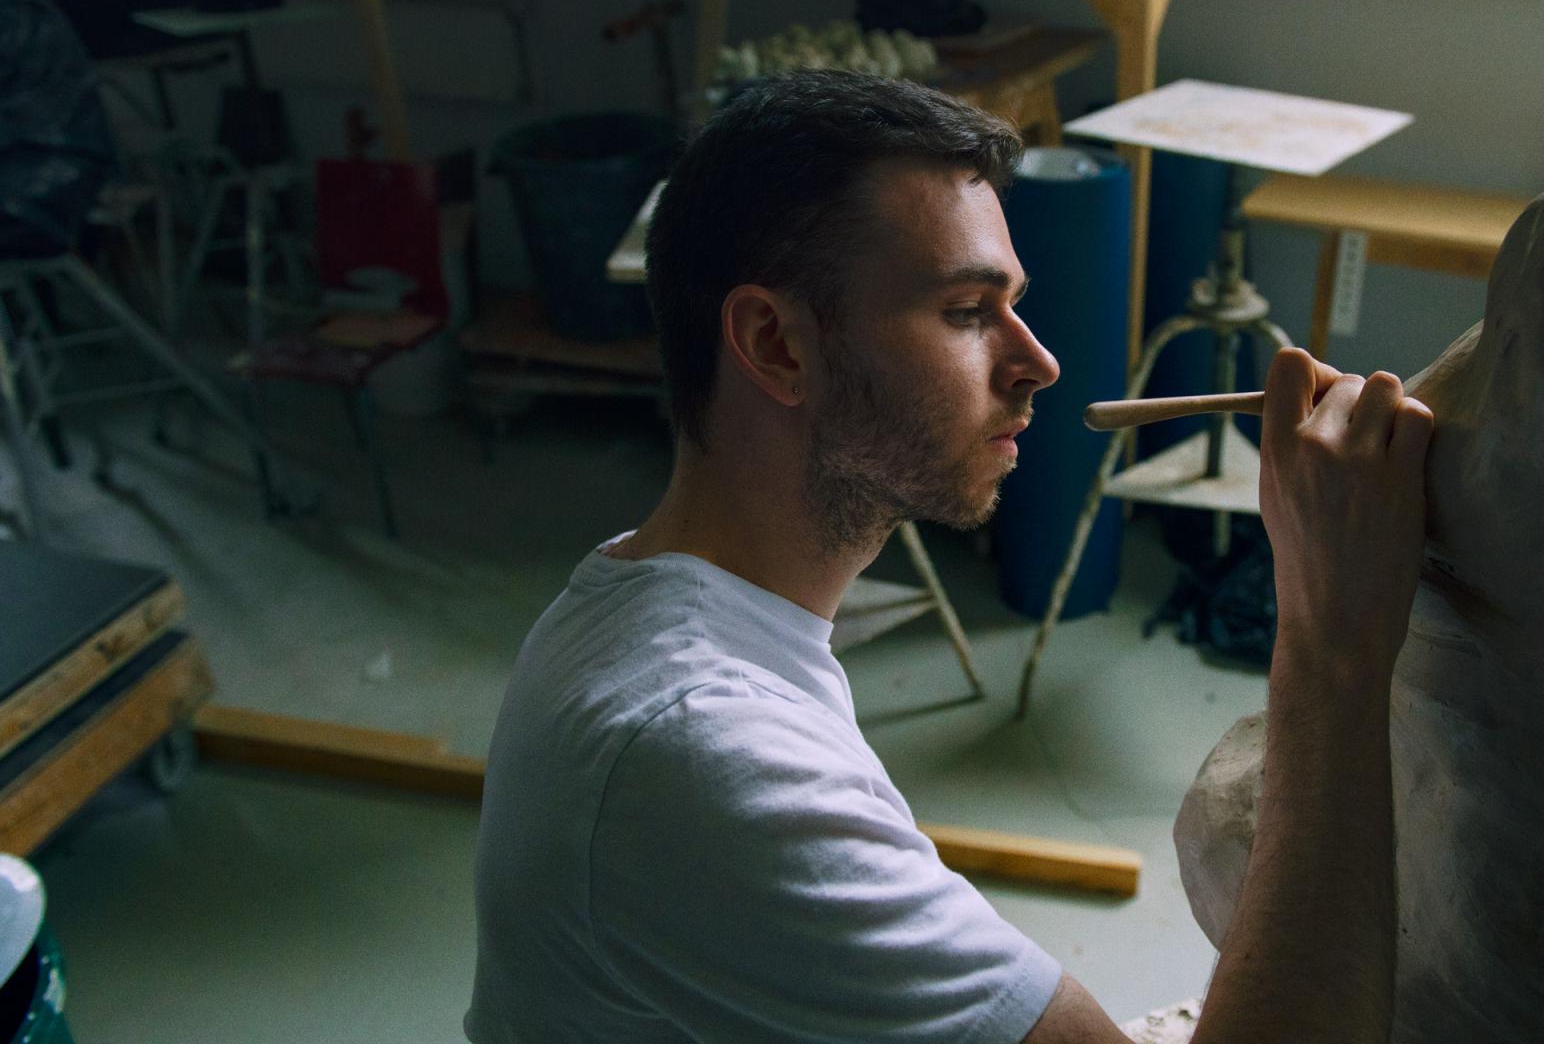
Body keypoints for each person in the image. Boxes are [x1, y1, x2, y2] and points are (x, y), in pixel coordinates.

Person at [466, 70, 1434, 1044]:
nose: (1037, 362)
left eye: (1011, 304)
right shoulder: (700, 760)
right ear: (775, 343)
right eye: (969, 311)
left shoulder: (641, 601)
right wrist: (1331, 638)